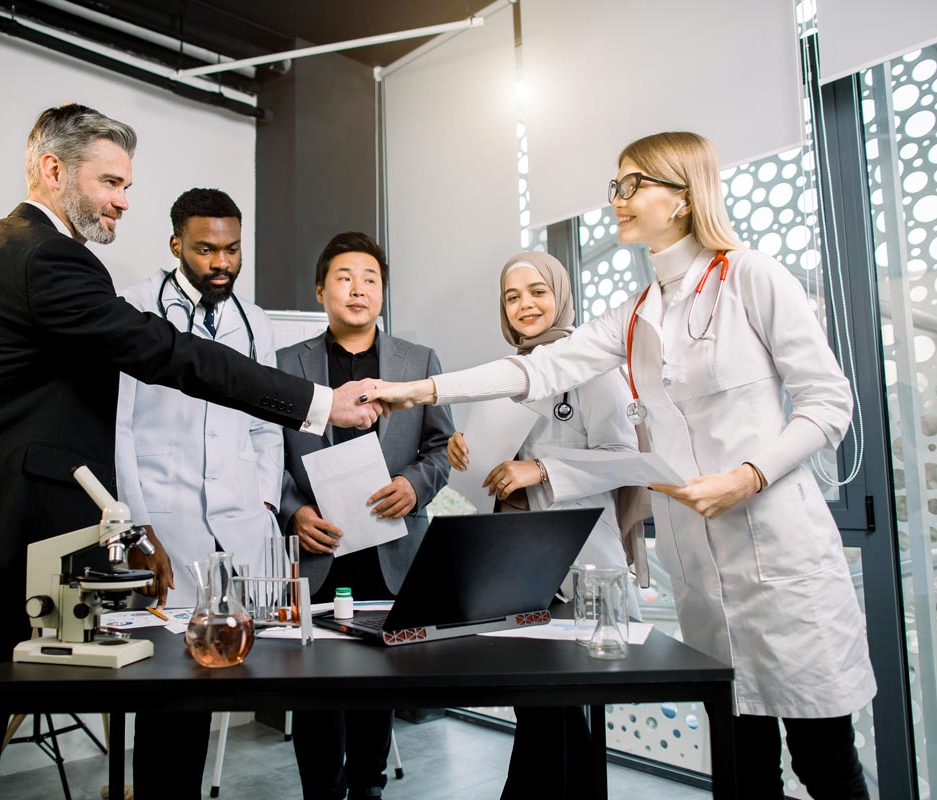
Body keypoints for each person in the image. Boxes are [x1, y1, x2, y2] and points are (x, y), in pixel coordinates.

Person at [0, 104, 381, 800]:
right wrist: (319, 402)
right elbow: (167, 355)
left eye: (127, 186)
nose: (121, 201)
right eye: (110, 182)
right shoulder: (48, 257)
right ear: (53, 170)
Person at [369, 131, 875, 799]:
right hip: (701, 571)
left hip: (781, 559)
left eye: (634, 184)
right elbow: (538, 367)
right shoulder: (637, 314)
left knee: (824, 763)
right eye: (615, 185)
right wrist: (421, 390)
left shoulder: (750, 276)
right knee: (742, 768)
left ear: (684, 195)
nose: (618, 199)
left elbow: (828, 401)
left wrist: (748, 476)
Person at [448, 251, 641, 798]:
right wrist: (466, 448)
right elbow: (495, 455)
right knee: (536, 704)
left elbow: (625, 457)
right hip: (514, 563)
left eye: (537, 291)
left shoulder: (594, 367)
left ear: (561, 294)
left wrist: (541, 469)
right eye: (512, 297)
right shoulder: (509, 373)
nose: (525, 305)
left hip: (574, 559)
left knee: (548, 706)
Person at [114, 187, 284, 797]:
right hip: (167, 525)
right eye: (206, 250)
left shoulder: (254, 321)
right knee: (166, 695)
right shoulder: (134, 306)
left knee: (226, 681)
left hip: (239, 525)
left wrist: (264, 503)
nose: (222, 264)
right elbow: (119, 427)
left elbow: (268, 422)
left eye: (233, 250)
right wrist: (137, 526)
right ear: (175, 245)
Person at [277, 232, 453, 800]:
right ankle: (320, 792)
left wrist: (414, 485)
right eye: (345, 277)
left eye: (371, 279)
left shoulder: (419, 362)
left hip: (392, 547)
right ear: (320, 289)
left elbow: (441, 447)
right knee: (314, 684)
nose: (359, 289)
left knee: (379, 680)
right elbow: (261, 455)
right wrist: (293, 511)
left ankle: (368, 789)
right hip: (320, 550)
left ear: (383, 292)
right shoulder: (284, 364)